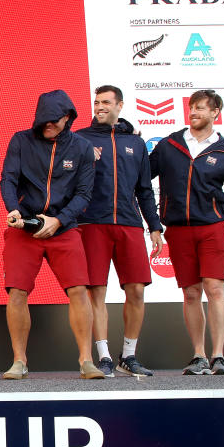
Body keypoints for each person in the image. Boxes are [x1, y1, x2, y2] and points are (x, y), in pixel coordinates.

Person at [0, 89, 102, 380]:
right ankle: (19, 361)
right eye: (43, 121)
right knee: (17, 292)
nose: (48, 126)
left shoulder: (82, 147)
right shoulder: (21, 140)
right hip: (25, 227)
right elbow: (8, 179)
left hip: (64, 227)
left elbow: (84, 194)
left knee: (78, 290)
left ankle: (86, 360)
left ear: (68, 117)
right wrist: (13, 210)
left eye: (54, 121)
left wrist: (59, 220)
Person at [150, 89, 224, 375]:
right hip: (178, 229)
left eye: (201, 108)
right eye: (192, 107)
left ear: (215, 113)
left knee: (214, 289)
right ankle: (198, 355)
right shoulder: (169, 145)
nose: (194, 113)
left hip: (213, 227)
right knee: (191, 293)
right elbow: (142, 177)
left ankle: (218, 356)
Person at [75, 84, 163, 377]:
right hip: (92, 224)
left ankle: (129, 355)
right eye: (96, 102)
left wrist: (154, 226)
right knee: (96, 292)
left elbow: (145, 189)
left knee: (136, 290)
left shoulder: (136, 144)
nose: (99, 107)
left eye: (105, 102)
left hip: (128, 223)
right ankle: (104, 357)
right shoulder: (81, 140)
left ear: (119, 105)